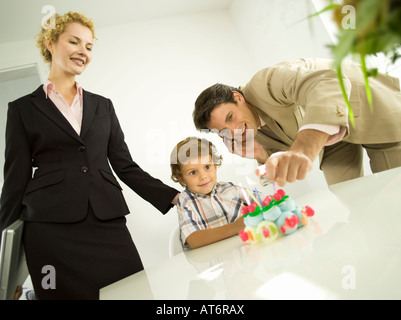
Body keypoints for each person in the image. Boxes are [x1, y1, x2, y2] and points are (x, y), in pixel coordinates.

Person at [0, 12, 179, 300]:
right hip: (49, 231)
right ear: (50, 43)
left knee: (135, 294)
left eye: (89, 46)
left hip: (106, 221)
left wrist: (174, 197)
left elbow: (125, 165)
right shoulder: (22, 109)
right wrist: (5, 268)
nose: (83, 51)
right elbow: (14, 181)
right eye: (74, 41)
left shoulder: (103, 106)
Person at [193, 58, 401, 186]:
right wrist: (263, 156)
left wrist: (302, 151)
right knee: (353, 199)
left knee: (394, 191)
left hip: (368, 108)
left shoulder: (265, 83)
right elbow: (271, 182)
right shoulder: (250, 133)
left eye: (230, 117)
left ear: (238, 97)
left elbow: (329, 82)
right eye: (224, 131)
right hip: (330, 142)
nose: (235, 130)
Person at [170, 137, 245, 249]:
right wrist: (235, 227)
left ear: (215, 166)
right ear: (181, 179)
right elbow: (193, 240)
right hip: (211, 262)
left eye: (207, 167)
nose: (203, 176)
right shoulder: (186, 201)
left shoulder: (230, 189)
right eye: (193, 172)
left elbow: (263, 202)